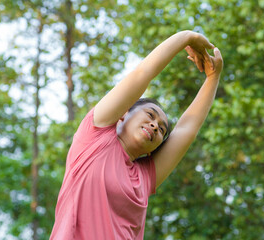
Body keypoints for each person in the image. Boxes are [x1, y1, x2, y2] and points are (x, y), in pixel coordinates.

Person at [50, 30, 223, 240]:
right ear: (123, 114)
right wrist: (186, 37)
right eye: (150, 115)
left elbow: (188, 128)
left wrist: (213, 77)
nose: (155, 126)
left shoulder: (145, 177)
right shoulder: (95, 136)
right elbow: (144, 72)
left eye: (161, 130)